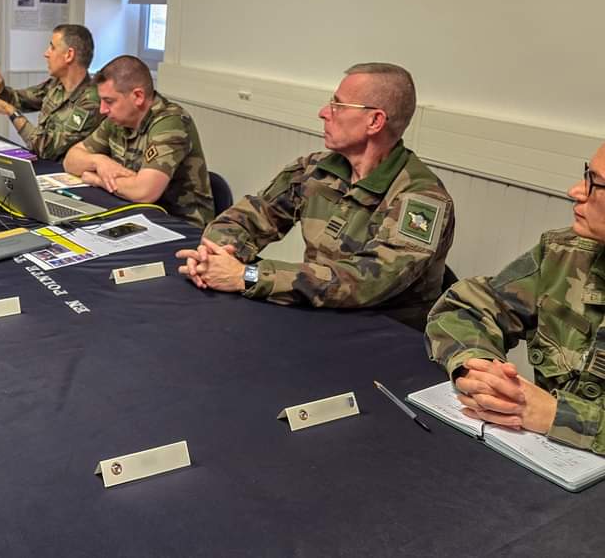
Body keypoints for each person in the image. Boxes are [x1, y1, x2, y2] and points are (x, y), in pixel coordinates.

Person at [176, 62, 454, 330]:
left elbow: (368, 281)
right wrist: (215, 255)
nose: (324, 112)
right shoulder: (315, 169)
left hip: (384, 335)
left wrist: (246, 276)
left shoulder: (421, 199)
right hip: (317, 316)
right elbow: (248, 217)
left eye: (337, 105)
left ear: (375, 121)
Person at [425, 146, 605, 454]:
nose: (575, 191)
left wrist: (556, 416)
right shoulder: (567, 255)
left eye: (597, 185)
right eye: (586, 175)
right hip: (548, 461)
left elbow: (551, 415)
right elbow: (469, 308)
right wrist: (480, 368)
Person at [63, 55, 214, 227]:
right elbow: (71, 160)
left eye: (109, 101)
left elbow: (144, 191)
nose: (103, 109)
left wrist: (98, 180)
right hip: (134, 214)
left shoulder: (171, 122)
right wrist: (99, 162)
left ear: (138, 96)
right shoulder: (117, 121)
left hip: (180, 227)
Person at [0, 24, 101, 160]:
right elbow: (19, 99)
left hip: (66, 174)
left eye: (52, 47)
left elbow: (45, 148)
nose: (46, 53)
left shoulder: (90, 101)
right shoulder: (56, 85)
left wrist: (10, 111)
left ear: (69, 55)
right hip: (46, 168)